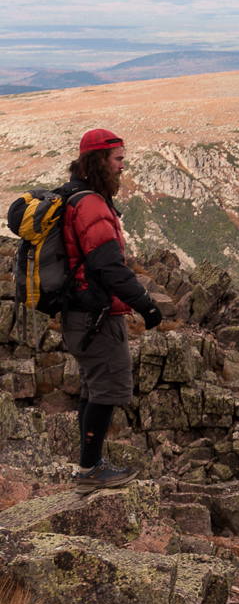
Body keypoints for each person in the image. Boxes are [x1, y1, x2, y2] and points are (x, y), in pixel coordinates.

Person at [59, 129, 163, 492]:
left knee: (93, 389)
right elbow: (108, 266)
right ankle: (90, 471)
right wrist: (146, 305)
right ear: (99, 160)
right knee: (107, 389)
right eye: (117, 159)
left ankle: (92, 464)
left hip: (80, 316)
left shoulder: (76, 196)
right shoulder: (91, 205)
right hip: (96, 318)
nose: (122, 166)